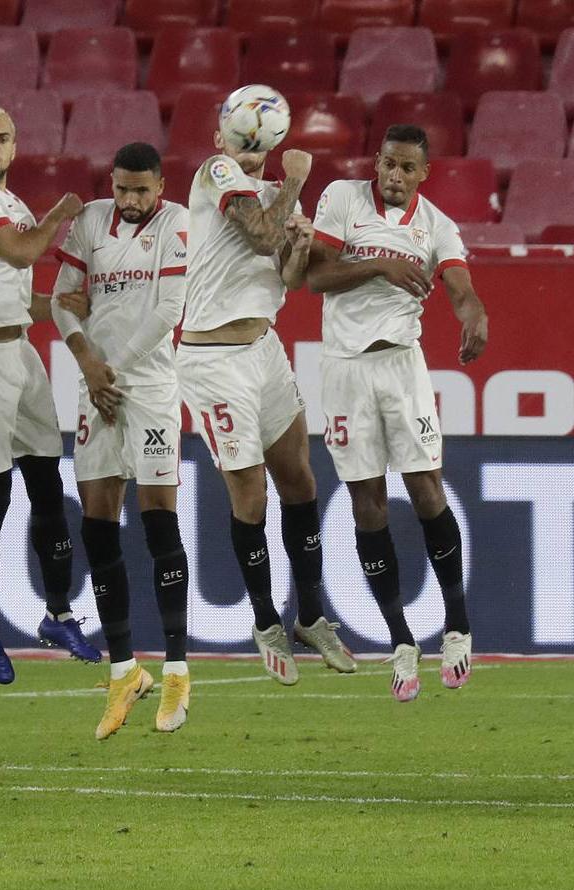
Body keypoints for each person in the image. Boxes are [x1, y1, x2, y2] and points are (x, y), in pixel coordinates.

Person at [306, 124, 488, 702]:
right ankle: (401, 640)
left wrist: (473, 314)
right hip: (342, 369)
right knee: (368, 501)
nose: (394, 176)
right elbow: (316, 275)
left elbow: (458, 284)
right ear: (376, 161)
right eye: (388, 164)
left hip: (402, 369)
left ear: (422, 173)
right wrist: (380, 267)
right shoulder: (341, 198)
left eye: (407, 168)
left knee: (427, 488)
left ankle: (457, 627)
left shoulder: (436, 225)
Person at [179, 122, 357, 685]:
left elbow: (284, 275)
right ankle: (264, 620)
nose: (250, 151)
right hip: (213, 361)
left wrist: (300, 247)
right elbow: (258, 234)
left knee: (300, 480)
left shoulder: (273, 201)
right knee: (250, 493)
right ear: (220, 142)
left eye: (260, 143)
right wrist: (297, 182)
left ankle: (310, 615)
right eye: (241, 140)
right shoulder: (216, 174)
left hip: (263, 348)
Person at [0, 104, 98, 683]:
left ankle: (57, 613)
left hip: (20, 354)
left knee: (49, 489)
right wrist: (64, 212)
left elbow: (19, 295)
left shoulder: (16, 206)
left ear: (16, 144)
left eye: (3, 138)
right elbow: (23, 252)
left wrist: (62, 307)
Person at [50, 142, 192, 739]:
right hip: (96, 387)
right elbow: (61, 300)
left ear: (160, 185)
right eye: (124, 189)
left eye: (143, 190)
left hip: (150, 387)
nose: (133, 200)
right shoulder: (88, 223)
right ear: (113, 183)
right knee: (97, 524)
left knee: (159, 519)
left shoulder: (177, 222)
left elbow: (168, 310)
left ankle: (179, 668)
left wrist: (116, 370)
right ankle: (124, 670)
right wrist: (87, 361)